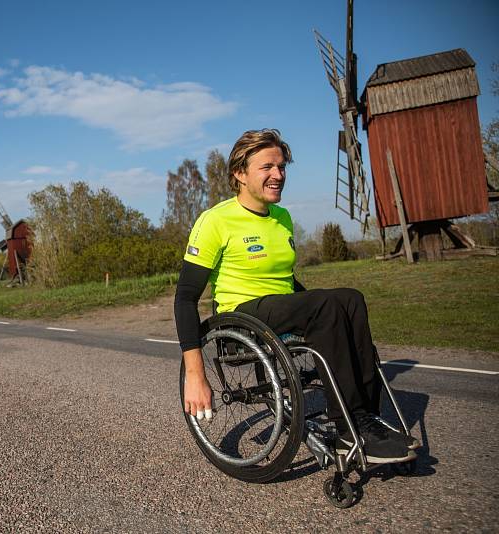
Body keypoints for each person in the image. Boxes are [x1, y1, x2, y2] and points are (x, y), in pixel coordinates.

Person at [174, 128, 419, 464]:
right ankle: (348, 428)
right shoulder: (216, 220)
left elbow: (288, 282)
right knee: (330, 305)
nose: (278, 175)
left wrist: (329, 307)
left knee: (350, 299)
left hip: (279, 308)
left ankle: (366, 418)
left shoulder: (282, 218)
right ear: (239, 174)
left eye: (282, 167)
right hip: (243, 315)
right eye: (267, 167)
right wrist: (196, 376)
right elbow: (185, 298)